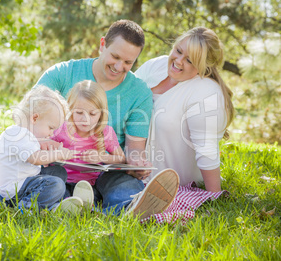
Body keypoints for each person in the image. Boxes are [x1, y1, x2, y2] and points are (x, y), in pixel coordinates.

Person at [36, 19, 179, 218]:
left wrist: (136, 164)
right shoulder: (63, 73)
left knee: (122, 184)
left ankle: (128, 209)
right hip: (57, 165)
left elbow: (134, 147)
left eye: (128, 62)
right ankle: (61, 205)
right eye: (115, 56)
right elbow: (31, 114)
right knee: (48, 180)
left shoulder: (139, 92)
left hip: (104, 171)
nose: (119, 67)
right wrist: (46, 143)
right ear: (103, 44)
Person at [0, 86, 92, 213]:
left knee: (58, 173)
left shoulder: (26, 135)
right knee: (56, 184)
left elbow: (34, 155)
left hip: (24, 182)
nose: (51, 133)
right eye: (51, 128)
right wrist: (57, 154)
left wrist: (46, 145)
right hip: (15, 189)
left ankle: (55, 204)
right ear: (34, 118)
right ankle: (23, 209)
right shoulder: (17, 134)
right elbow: (36, 159)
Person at [135, 27, 234, 192]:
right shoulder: (156, 65)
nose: (178, 61)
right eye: (178, 51)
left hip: (167, 184)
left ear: (204, 67)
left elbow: (207, 150)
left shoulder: (206, 92)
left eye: (190, 60)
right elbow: (125, 97)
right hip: (129, 170)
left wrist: (214, 195)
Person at [50, 80, 126, 206]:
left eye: (92, 114)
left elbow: (121, 159)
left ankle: (81, 205)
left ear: (101, 114)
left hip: (89, 186)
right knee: (58, 190)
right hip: (61, 181)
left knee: (92, 196)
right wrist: (58, 153)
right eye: (79, 113)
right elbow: (43, 149)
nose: (86, 120)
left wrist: (101, 157)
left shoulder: (105, 132)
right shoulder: (61, 128)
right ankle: (65, 204)